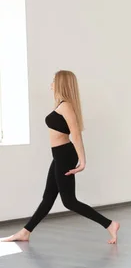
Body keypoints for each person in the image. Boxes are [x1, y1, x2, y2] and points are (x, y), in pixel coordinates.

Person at [2, 70, 119, 244]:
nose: (51, 84)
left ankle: (110, 224)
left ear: (61, 84)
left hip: (65, 155)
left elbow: (76, 135)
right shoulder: (62, 105)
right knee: (48, 197)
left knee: (69, 201)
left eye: (54, 81)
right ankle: (26, 232)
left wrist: (82, 161)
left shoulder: (66, 106)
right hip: (59, 156)